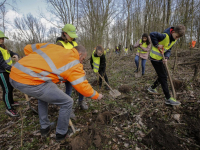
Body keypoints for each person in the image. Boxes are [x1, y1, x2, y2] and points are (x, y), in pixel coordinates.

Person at [10, 44, 103, 141]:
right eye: (83, 59)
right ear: (79, 54)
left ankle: (45, 128)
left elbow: (27, 48)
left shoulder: (54, 47)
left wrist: (35, 62)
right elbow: (83, 86)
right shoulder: (74, 63)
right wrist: (97, 95)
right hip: (28, 80)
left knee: (42, 97)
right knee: (67, 102)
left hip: (14, 73)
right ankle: (61, 134)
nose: (82, 61)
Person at [147, 25, 185, 106]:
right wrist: (157, 45)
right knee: (163, 76)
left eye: (178, 38)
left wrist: (166, 57)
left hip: (161, 58)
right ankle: (168, 98)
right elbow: (152, 34)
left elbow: (169, 49)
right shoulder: (165, 35)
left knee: (163, 75)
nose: (177, 38)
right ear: (173, 32)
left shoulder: (173, 40)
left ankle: (152, 88)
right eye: (177, 36)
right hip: (154, 58)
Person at [56, 24, 88, 110]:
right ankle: (67, 109)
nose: (72, 37)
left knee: (81, 85)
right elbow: (59, 59)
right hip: (67, 71)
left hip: (76, 69)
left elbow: (78, 57)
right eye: (71, 35)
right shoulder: (60, 44)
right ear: (64, 33)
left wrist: (81, 69)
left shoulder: (74, 43)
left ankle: (81, 101)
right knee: (69, 90)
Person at [0, 30, 19, 117]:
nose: (2, 40)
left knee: (10, 87)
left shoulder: (4, 48)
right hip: (2, 72)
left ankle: (11, 102)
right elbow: (2, 63)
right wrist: (12, 69)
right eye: (0, 38)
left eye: (2, 38)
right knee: (6, 90)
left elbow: (12, 53)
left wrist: (16, 55)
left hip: (8, 71)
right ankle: (9, 108)